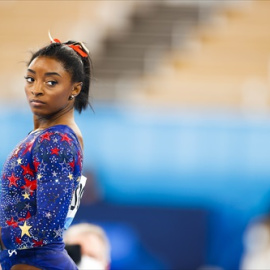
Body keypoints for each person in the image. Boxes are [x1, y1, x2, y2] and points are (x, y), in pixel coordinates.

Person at [0, 34, 92, 270]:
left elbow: (49, 226)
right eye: (30, 79)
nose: (36, 89)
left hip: (39, 262)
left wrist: (2, 238)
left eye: (51, 82)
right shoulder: (43, 134)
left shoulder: (56, 140)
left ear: (75, 89)